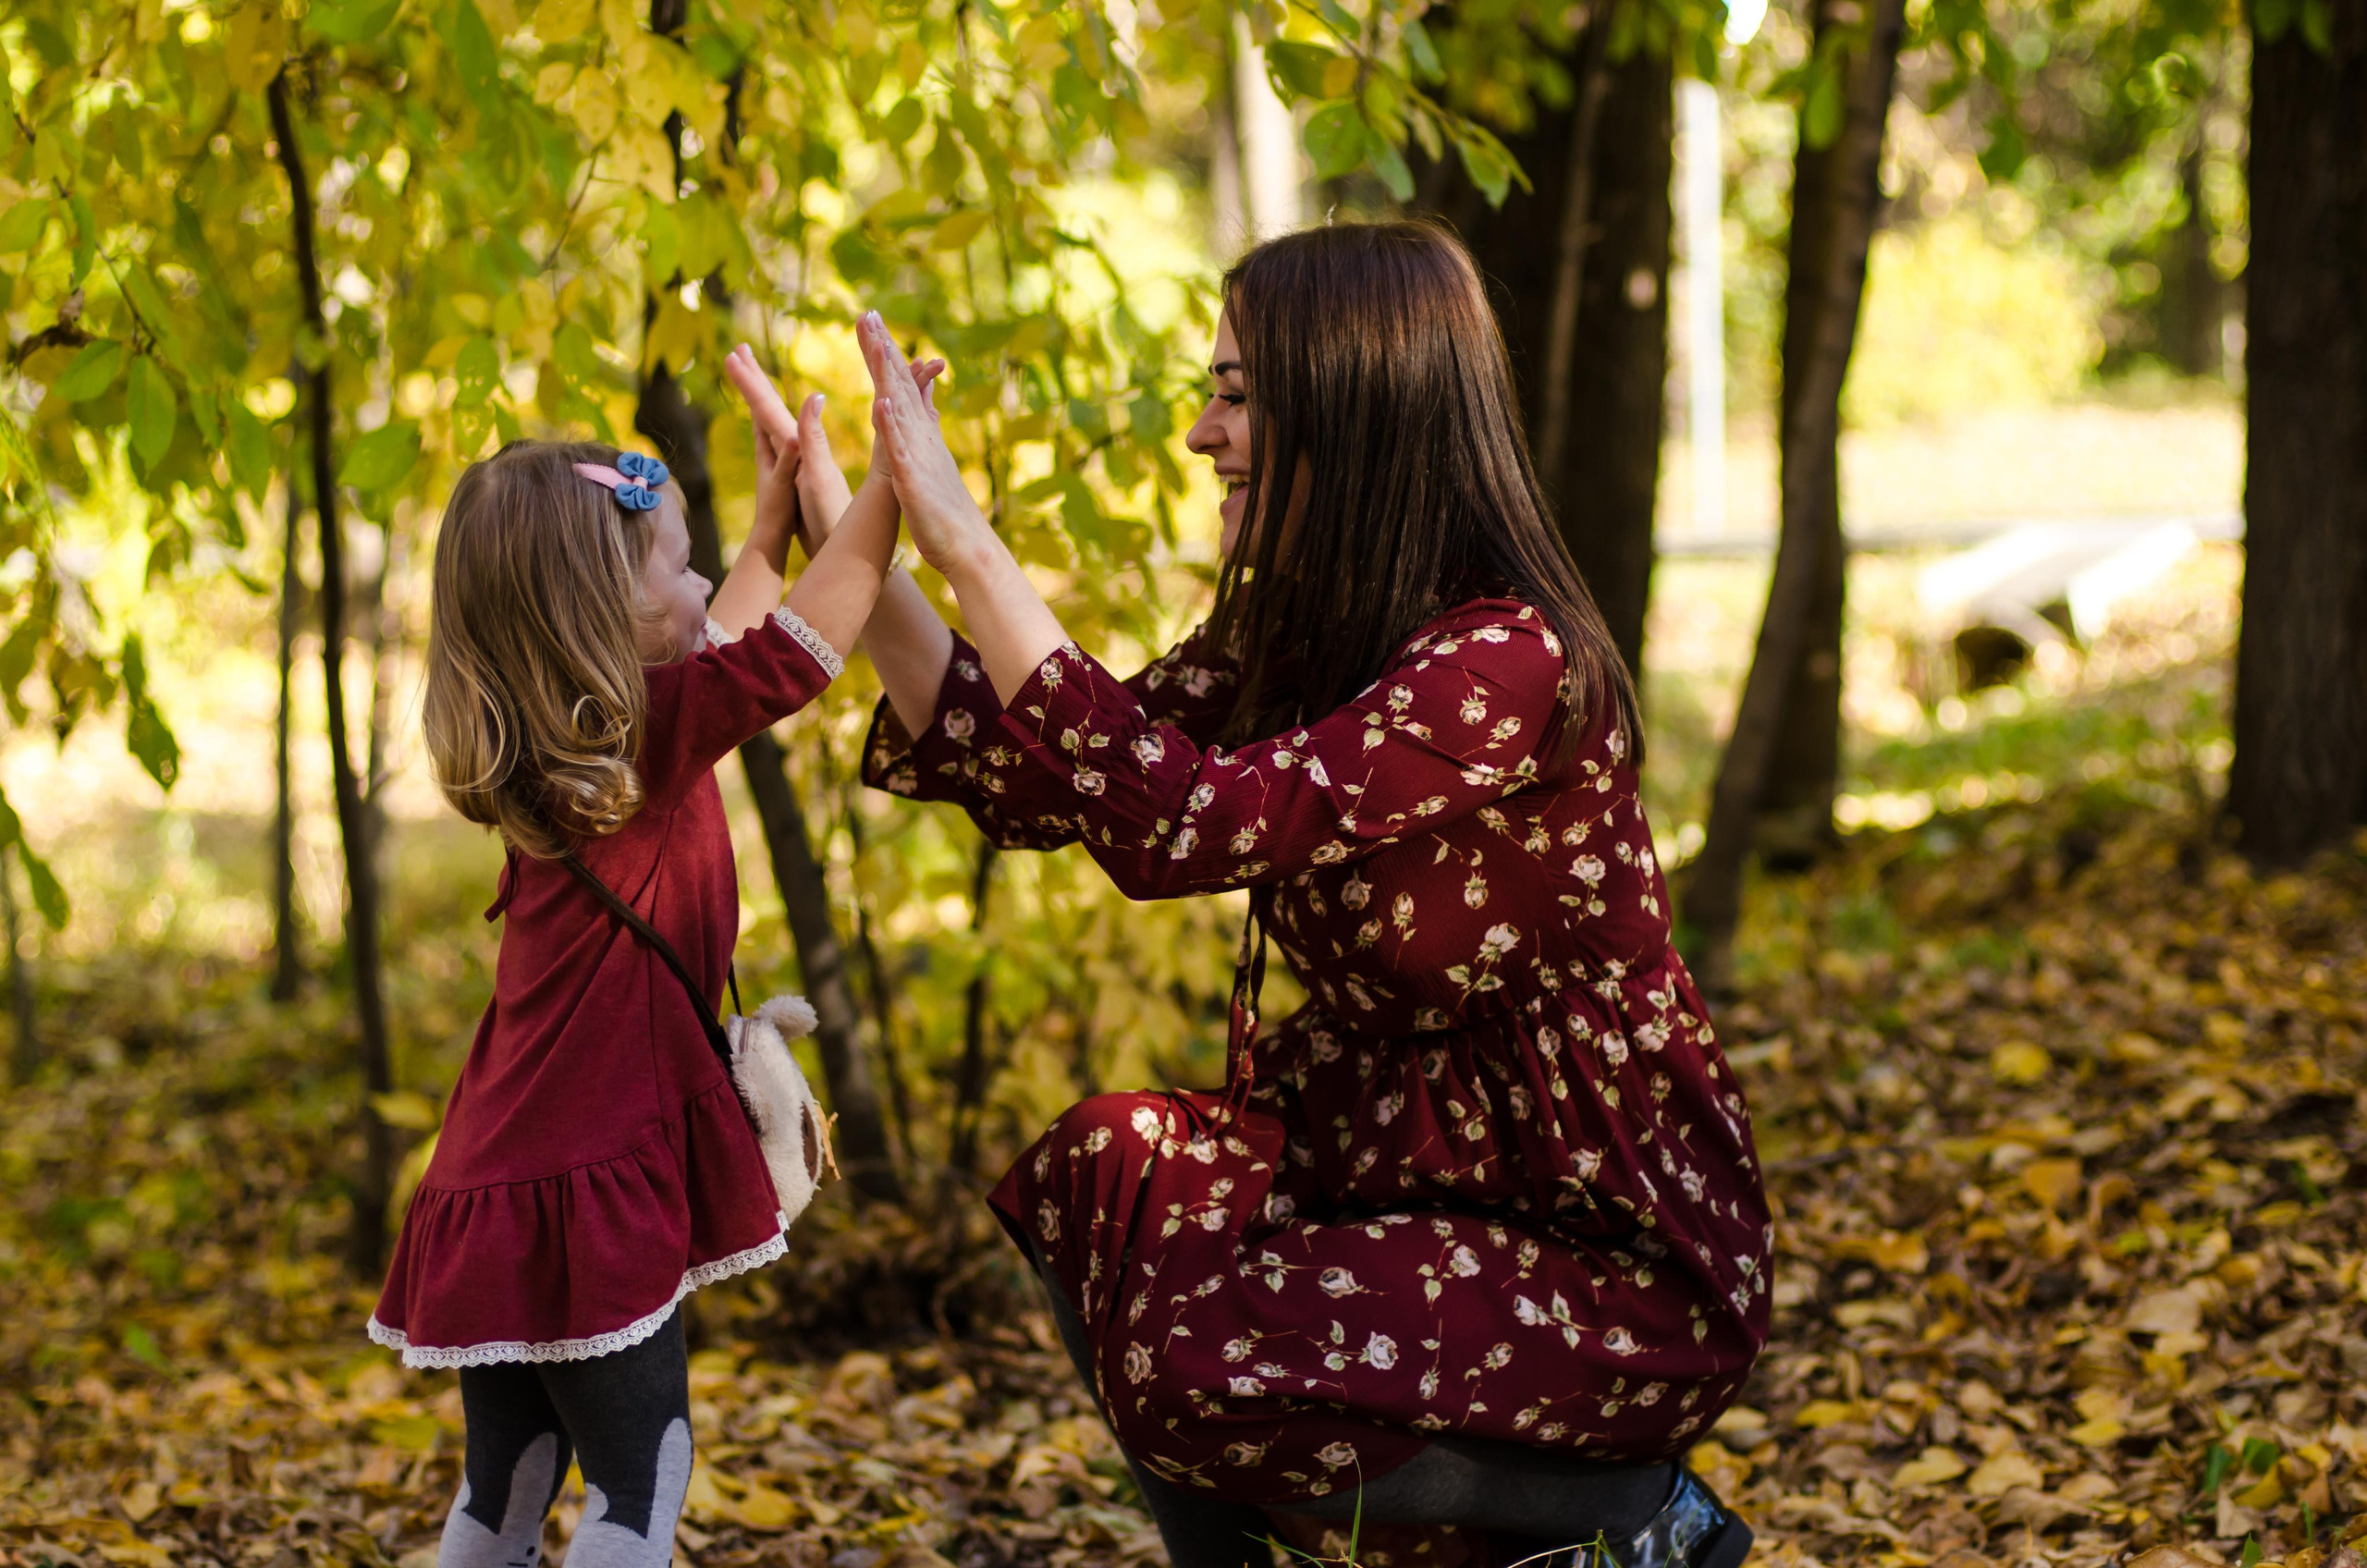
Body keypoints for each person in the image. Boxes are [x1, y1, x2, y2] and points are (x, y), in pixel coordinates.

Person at [803, 223, 1773, 1568]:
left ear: (1359, 405)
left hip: (1597, 1246)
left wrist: (973, 540)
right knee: (1107, 1172)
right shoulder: (1299, 634)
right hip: (1400, 1171)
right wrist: (867, 547)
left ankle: (1638, 1519)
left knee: (1198, 1359)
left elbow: (1188, 826)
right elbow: (1055, 771)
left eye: (1240, 395)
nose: (1205, 434)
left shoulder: (1503, 662)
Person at [371, 347, 906, 1568]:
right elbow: (811, 637)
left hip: (499, 1183)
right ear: (602, 619)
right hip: (586, 1188)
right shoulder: (654, 740)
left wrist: (770, 514)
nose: (704, 580)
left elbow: (730, 626)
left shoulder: (581, 754)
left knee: (505, 1489)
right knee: (640, 1476)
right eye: (675, 564)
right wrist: (893, 481)